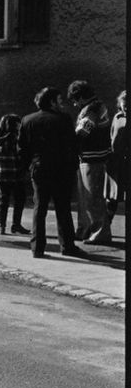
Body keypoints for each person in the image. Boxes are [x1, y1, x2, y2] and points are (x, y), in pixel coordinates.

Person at [18, 87, 89, 259]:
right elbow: (71, 144)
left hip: (39, 168)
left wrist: (27, 167)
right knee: (63, 208)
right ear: (51, 102)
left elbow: (22, 149)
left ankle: (37, 248)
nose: (62, 104)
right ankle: (67, 245)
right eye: (59, 100)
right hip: (61, 169)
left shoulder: (27, 120)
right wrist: (81, 134)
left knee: (39, 208)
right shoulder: (63, 119)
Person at [67, 80, 112, 244]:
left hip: (93, 158)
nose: (73, 103)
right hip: (93, 157)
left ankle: (99, 232)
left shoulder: (91, 109)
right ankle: (85, 230)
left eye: (74, 99)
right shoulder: (98, 105)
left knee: (92, 197)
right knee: (87, 197)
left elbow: (82, 132)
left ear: (81, 97)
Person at [0, 113, 30, 235]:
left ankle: (1, 226)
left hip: (2, 174)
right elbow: (20, 156)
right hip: (16, 174)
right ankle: (16, 225)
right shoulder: (17, 139)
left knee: (3, 200)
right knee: (19, 199)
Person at [106, 90, 127, 219]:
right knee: (112, 197)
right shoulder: (117, 117)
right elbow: (111, 137)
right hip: (115, 161)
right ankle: (105, 228)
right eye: (124, 105)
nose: (125, 108)